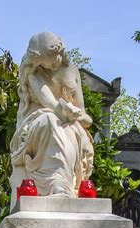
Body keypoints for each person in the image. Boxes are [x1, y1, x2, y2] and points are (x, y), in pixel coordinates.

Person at [10, 32, 94, 206]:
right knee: (51, 121)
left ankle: (63, 185)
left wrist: (76, 115)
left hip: (69, 122)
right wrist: (66, 113)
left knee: (69, 129)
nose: (51, 65)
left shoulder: (72, 71)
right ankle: (55, 185)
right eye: (45, 63)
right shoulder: (33, 73)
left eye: (54, 59)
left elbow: (86, 118)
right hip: (36, 121)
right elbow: (52, 106)